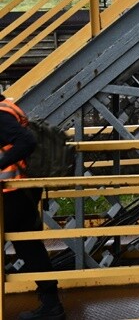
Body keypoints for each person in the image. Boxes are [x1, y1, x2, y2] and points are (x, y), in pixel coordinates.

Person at [0, 93, 66, 320]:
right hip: (21, 190)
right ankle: (51, 304)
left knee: (29, 246)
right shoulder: (7, 105)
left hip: (12, 193)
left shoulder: (1, 114)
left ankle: (51, 304)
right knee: (29, 247)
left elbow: (26, 141)